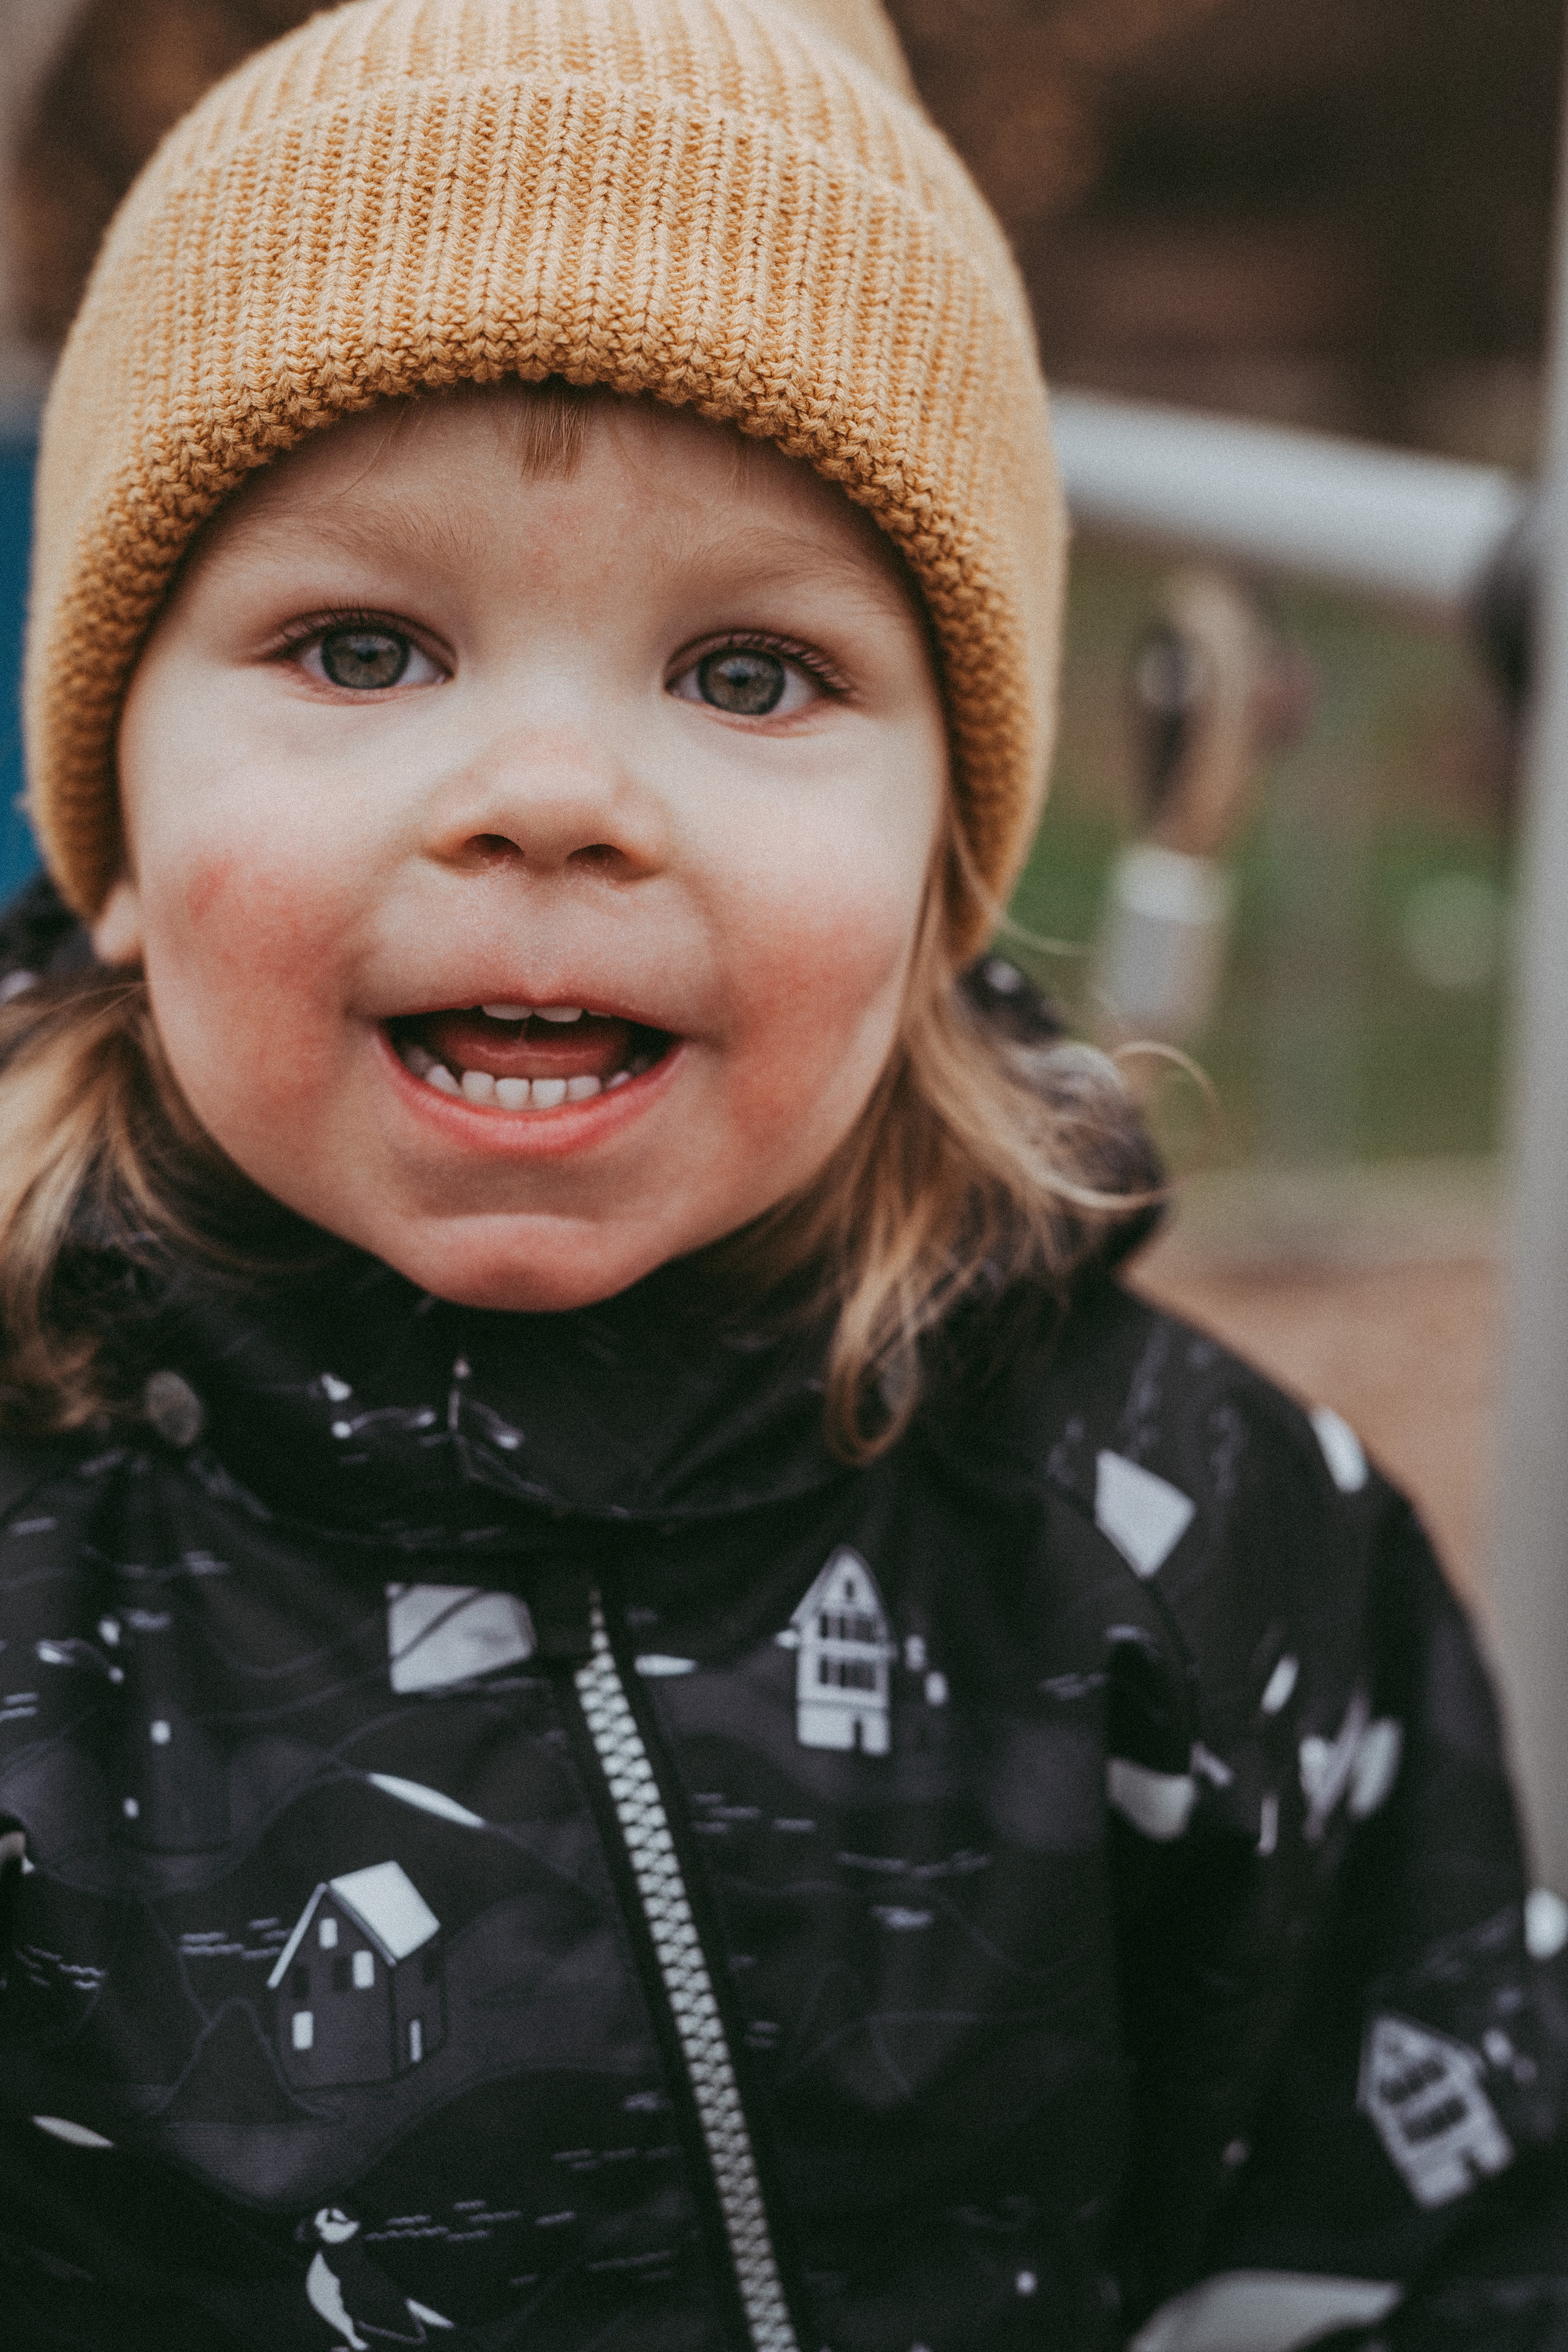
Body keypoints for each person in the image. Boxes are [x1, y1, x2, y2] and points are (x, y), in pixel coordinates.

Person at [0, 1, 1564, 2346]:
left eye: (748, 675)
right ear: (109, 840)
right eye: (360, 642)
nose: (549, 792)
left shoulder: (1198, 1532)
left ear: (947, 874)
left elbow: (1424, 2222)